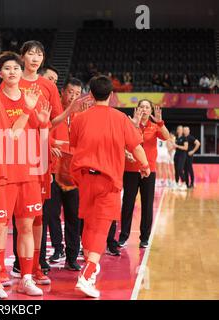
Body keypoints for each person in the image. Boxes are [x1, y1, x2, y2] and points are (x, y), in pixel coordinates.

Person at [69, 75, 150, 298]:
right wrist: (145, 165)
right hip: (108, 180)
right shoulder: (121, 119)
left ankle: (89, 270)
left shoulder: (79, 118)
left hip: (84, 178)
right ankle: (87, 273)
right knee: (102, 227)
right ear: (112, 96)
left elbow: (75, 146)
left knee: (89, 224)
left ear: (91, 94)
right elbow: (136, 147)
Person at [0, 51, 51, 296]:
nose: (12, 72)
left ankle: (26, 277)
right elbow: (8, 136)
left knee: (26, 227)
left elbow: (42, 130)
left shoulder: (34, 98)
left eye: (16, 68)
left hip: (29, 173)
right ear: (0, 74)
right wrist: (27, 111)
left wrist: (44, 121)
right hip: (4, 174)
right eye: (7, 68)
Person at [40, 77, 84, 271]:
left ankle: (72, 256)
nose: (73, 96)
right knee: (51, 214)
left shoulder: (83, 116)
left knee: (74, 216)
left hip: (73, 173)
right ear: (62, 92)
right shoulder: (52, 111)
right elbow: (41, 131)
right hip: (52, 170)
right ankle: (58, 248)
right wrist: (49, 146)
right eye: (70, 92)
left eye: (77, 93)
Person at [117, 100, 170, 249]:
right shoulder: (129, 124)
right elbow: (121, 142)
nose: (145, 110)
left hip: (149, 171)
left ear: (151, 110)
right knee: (127, 203)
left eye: (147, 107)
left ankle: (144, 238)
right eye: (142, 107)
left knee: (147, 205)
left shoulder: (154, 127)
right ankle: (123, 236)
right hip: (130, 170)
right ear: (137, 109)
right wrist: (134, 125)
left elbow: (166, 137)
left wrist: (160, 123)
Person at [174, 125, 189, 190]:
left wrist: (177, 146)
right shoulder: (176, 138)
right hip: (176, 155)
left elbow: (186, 148)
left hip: (182, 155)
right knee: (176, 170)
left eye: (180, 129)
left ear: (182, 131)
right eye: (178, 129)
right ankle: (176, 183)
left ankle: (184, 183)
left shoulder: (184, 138)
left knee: (180, 169)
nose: (179, 130)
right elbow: (175, 146)